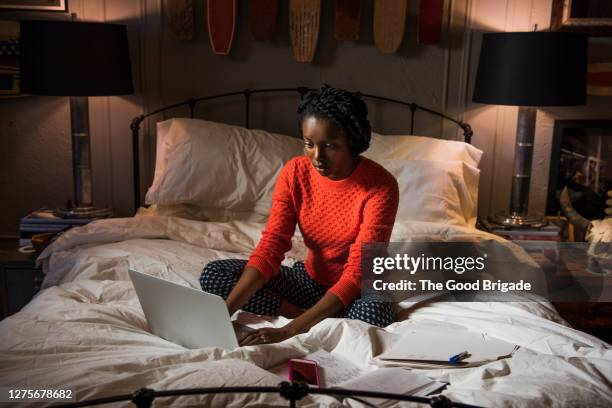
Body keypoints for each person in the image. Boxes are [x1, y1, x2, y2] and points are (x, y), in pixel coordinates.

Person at [200, 86, 400, 345]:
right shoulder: (295, 172)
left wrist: (289, 330)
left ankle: (315, 321)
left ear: (353, 140)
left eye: (330, 146)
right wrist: (223, 314)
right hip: (309, 282)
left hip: (359, 289)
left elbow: (357, 273)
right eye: (309, 144)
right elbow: (271, 246)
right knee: (214, 275)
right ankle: (315, 319)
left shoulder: (381, 185)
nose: (317, 157)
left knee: (373, 315)